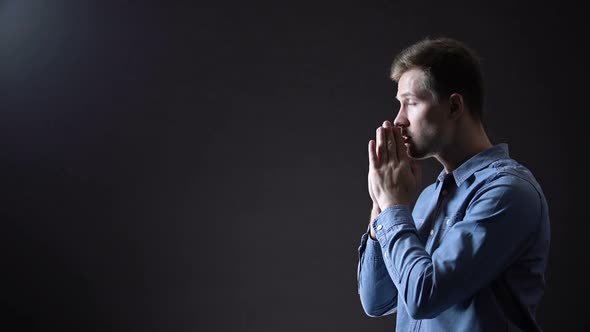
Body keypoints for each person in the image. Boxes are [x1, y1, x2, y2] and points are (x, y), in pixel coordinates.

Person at [357, 36, 550, 331]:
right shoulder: (428, 198)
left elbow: (425, 297)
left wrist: (394, 207)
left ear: (454, 106)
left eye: (411, 103)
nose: (398, 120)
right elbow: (376, 300)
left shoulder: (507, 192)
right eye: (399, 105)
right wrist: (381, 205)